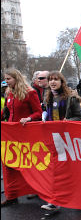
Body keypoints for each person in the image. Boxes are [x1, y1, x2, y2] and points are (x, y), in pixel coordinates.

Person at [40, 71, 81, 211]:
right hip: (53, 140)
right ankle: (54, 201)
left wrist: (68, 121)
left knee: (71, 171)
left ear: (62, 82)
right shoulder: (48, 98)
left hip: (67, 140)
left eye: (56, 79)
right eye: (51, 79)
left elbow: (79, 117)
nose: (53, 82)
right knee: (54, 171)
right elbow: (47, 115)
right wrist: (44, 117)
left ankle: (78, 199)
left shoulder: (71, 98)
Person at [1, 68, 42, 207]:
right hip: (10, 134)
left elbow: (38, 112)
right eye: (5, 79)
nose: (6, 82)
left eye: (8, 79)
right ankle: (11, 195)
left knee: (27, 163)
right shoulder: (9, 93)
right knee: (8, 164)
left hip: (25, 134)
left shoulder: (30, 93)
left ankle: (34, 189)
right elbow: (6, 111)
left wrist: (29, 118)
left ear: (16, 78)